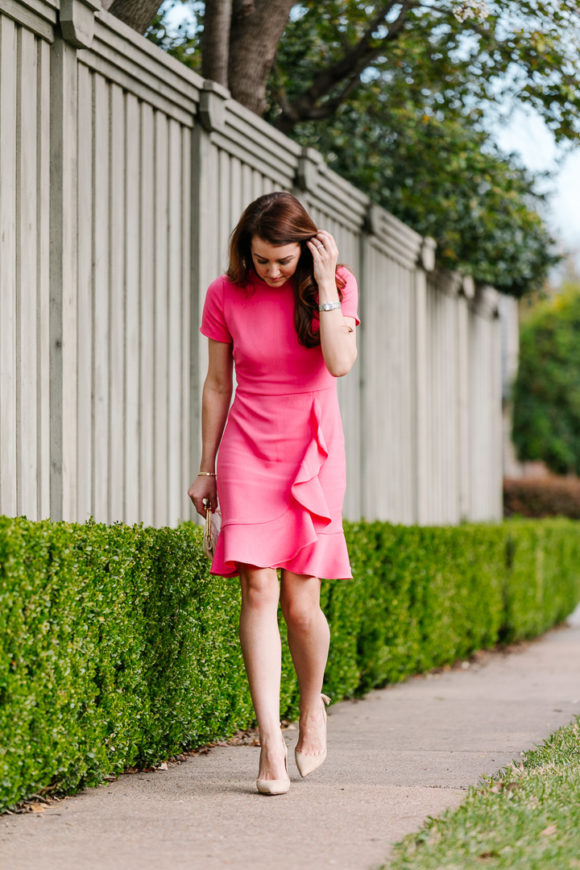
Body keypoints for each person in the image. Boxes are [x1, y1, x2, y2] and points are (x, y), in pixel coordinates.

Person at [188, 191, 359, 795]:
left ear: (306, 248)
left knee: (300, 602)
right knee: (257, 585)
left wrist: (326, 283)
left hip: (312, 448)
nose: (272, 271)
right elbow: (216, 384)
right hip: (247, 445)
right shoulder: (223, 293)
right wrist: (206, 467)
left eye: (283, 261)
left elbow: (339, 363)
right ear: (246, 250)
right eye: (262, 260)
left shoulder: (330, 284)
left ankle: (312, 707)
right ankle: (268, 743)